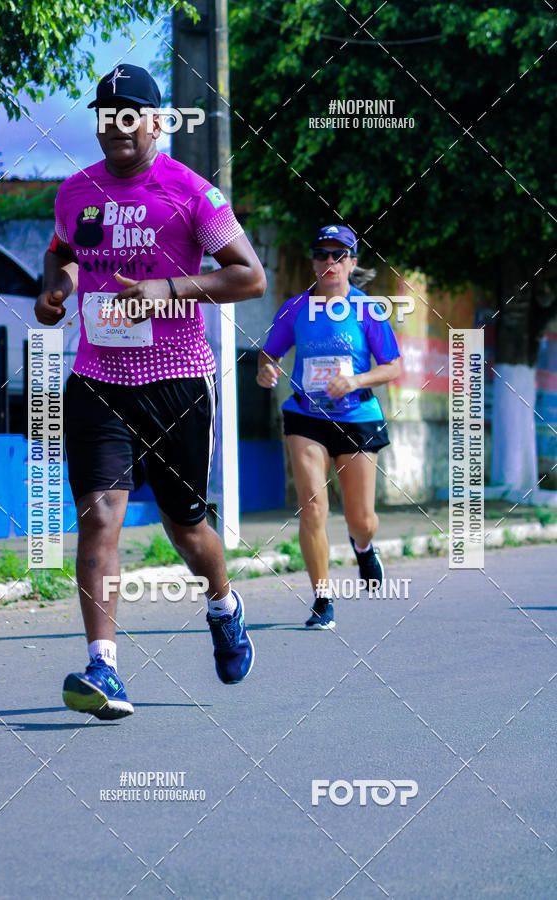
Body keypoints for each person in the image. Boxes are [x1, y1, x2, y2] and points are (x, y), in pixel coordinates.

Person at [35, 64, 266, 719]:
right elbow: (63, 251)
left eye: (132, 114)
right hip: (98, 384)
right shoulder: (76, 192)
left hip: (177, 386)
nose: (118, 126)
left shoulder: (192, 194)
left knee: (186, 529)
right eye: (108, 115)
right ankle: (102, 668)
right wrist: (56, 289)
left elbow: (249, 277)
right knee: (100, 520)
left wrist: (169, 290)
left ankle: (223, 605)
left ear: (157, 121)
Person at [257, 225, 401, 629]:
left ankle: (364, 546)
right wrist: (267, 370)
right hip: (306, 415)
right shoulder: (294, 308)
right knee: (312, 506)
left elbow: (393, 365)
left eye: (340, 255)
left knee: (361, 517)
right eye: (322, 253)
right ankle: (322, 598)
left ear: (353, 263)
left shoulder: (368, 309)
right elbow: (269, 355)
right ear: (313, 261)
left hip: (356, 417)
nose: (330, 262)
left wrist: (355, 380)